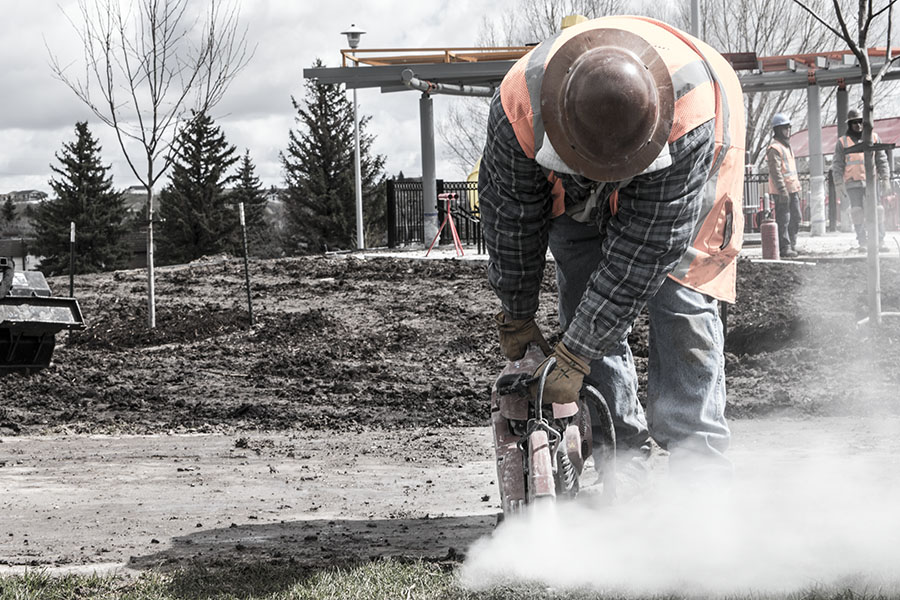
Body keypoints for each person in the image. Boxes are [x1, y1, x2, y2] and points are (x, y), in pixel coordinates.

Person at [480, 15, 745, 485]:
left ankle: (699, 471)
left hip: (690, 156)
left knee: (682, 303)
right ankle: (622, 464)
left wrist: (576, 353)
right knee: (584, 298)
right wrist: (516, 314)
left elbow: (643, 255)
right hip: (573, 176)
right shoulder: (518, 107)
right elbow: (512, 220)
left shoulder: (691, 116)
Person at [833, 109, 891, 252]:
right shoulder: (843, 142)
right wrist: (838, 183)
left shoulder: (874, 138)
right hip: (853, 183)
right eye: (855, 123)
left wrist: (885, 178)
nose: (858, 125)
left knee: (877, 210)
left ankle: (880, 240)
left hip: (871, 182)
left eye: (860, 122)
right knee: (857, 211)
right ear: (850, 124)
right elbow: (837, 164)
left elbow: (881, 160)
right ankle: (862, 241)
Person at [766, 113, 801, 258]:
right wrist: (782, 190)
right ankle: (785, 247)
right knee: (784, 220)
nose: (788, 130)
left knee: (796, 217)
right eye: (785, 128)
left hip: (793, 189)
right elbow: (776, 172)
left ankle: (792, 245)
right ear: (778, 130)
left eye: (788, 127)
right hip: (783, 191)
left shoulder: (786, 146)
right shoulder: (774, 148)